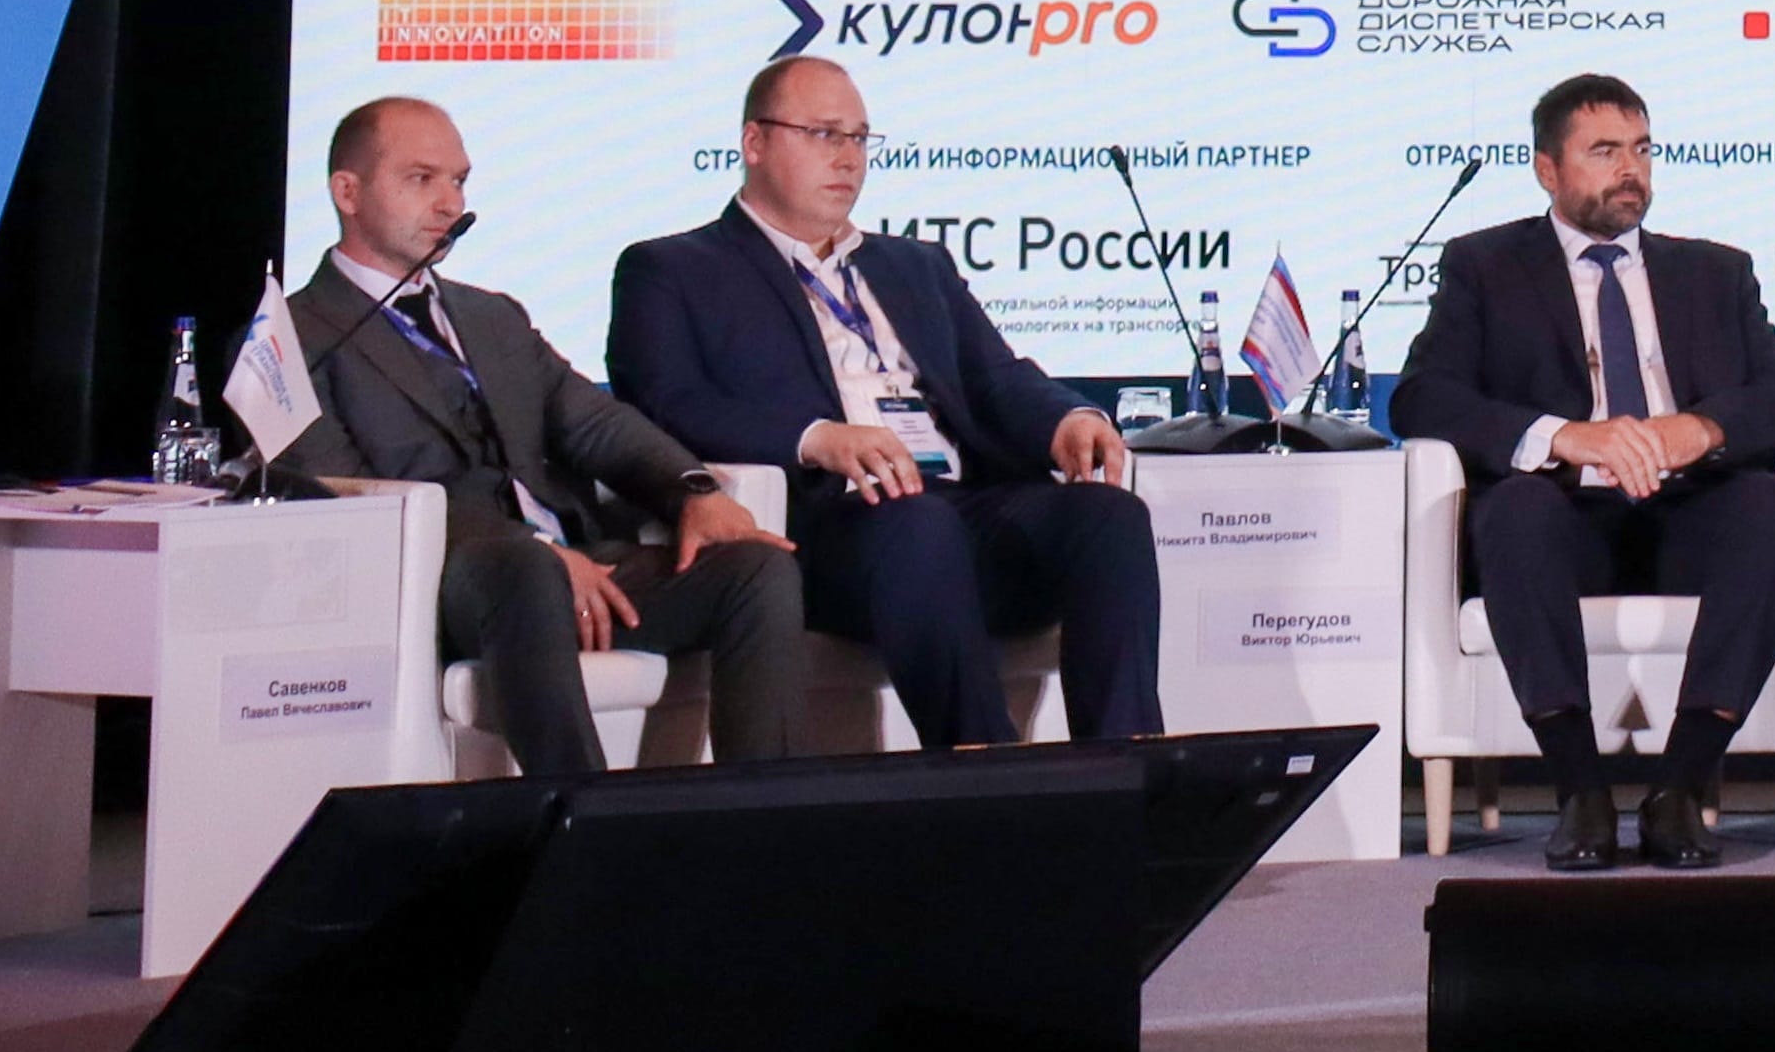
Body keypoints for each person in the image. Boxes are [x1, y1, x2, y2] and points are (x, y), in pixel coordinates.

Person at [605, 54, 1161, 751]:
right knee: (917, 525)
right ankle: (986, 766)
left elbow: (994, 375)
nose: (848, 158)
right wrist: (816, 436)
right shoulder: (673, 268)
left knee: (1108, 516)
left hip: (962, 508)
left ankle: (1128, 766)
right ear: (754, 142)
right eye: (823, 134)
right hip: (832, 529)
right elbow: (665, 401)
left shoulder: (914, 264)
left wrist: (1068, 417)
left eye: (860, 138)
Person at [263, 94, 803, 774]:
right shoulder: (291, 337)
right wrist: (538, 551)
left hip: (577, 563)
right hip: (445, 578)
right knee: (524, 570)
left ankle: (755, 812)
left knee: (757, 569)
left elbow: (596, 422)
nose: (449, 202)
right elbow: (347, 496)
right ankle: (584, 813)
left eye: (459, 181)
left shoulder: (492, 316)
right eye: (421, 179)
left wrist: (692, 488)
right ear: (347, 191)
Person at [1390, 70, 1775, 870]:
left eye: (1642, 149)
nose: (1631, 169)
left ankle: (1680, 787)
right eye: (1604, 151)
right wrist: (1563, 436)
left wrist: (1700, 426)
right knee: (1513, 511)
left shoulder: (1714, 271)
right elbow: (1423, 396)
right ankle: (1579, 790)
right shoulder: (1485, 264)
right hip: (1564, 516)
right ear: (1547, 169)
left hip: (1688, 510)